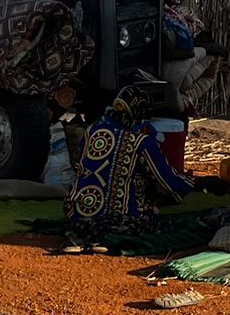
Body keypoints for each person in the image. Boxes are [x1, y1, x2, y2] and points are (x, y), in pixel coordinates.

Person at [61, 81, 192, 252]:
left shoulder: (93, 131)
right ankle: (107, 234)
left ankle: (88, 233)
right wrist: (190, 182)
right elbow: (170, 183)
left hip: (76, 212)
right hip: (121, 216)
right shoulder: (141, 141)